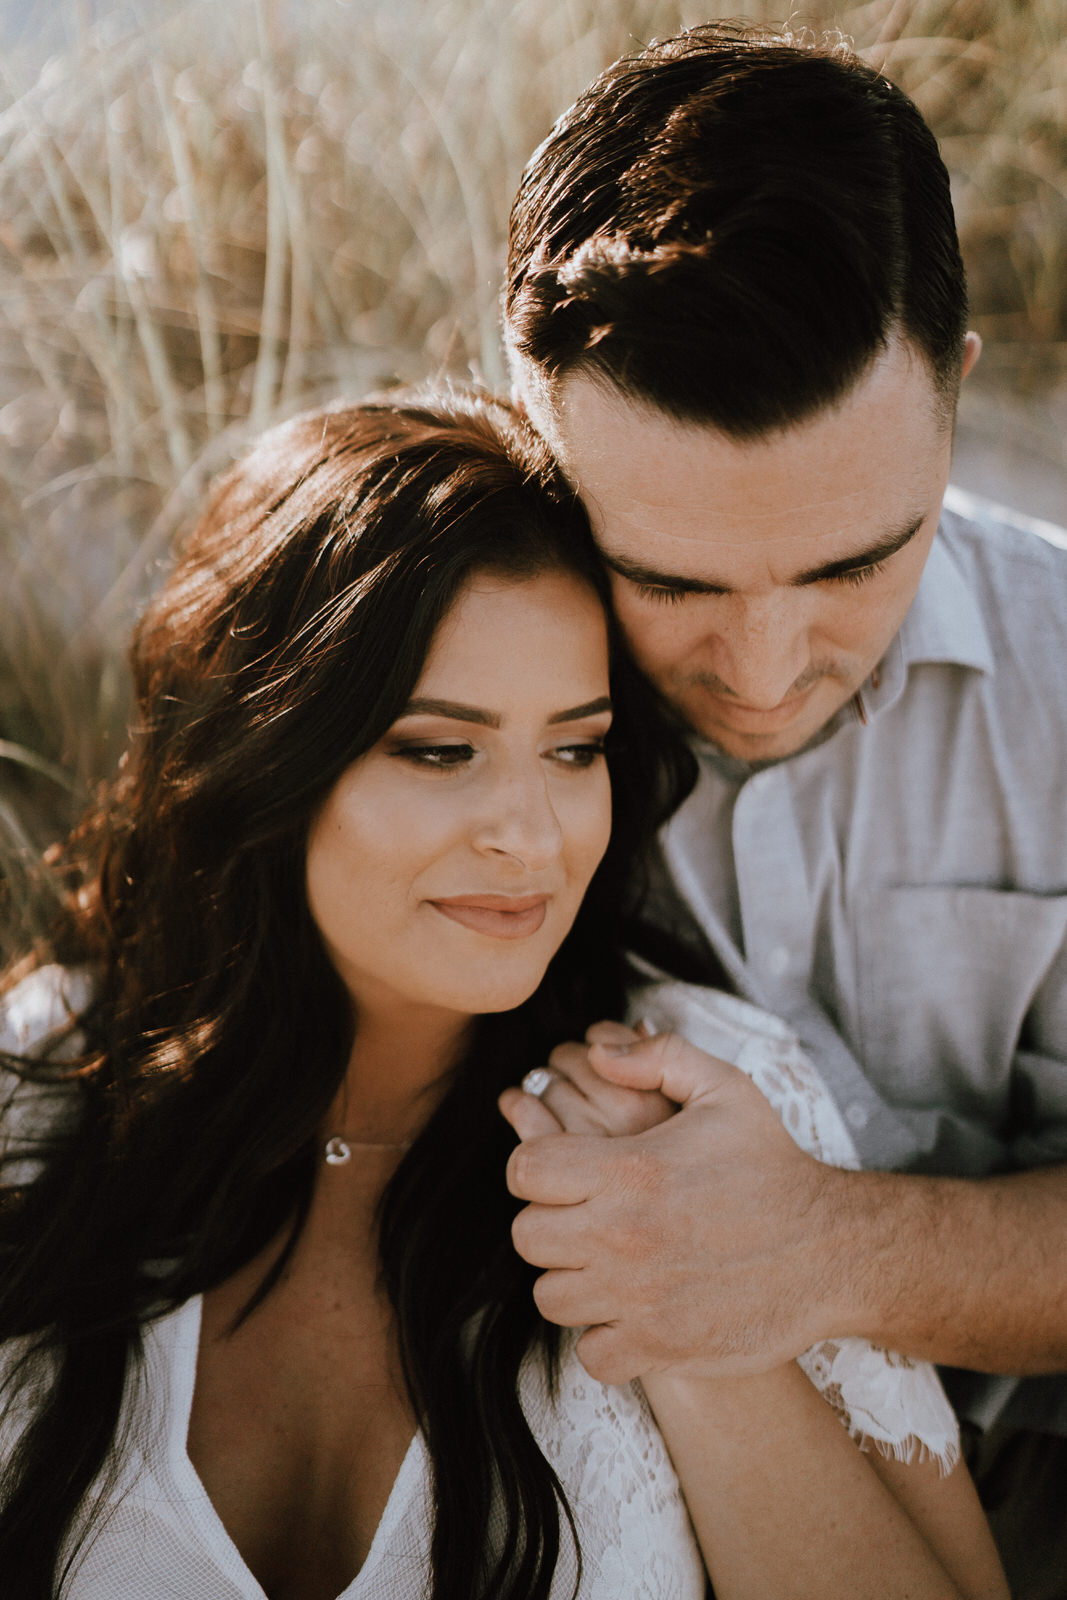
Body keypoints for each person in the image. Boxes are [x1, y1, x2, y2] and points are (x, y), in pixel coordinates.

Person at [0, 389, 1006, 1600]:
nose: (531, 836)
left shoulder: (694, 1100)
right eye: (441, 750)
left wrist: (686, 1319)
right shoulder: (40, 1085)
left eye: (574, 749)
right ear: (267, 752)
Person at [502, 19, 1067, 1597]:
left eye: (846, 565)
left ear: (952, 394)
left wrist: (821, 1251)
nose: (758, 668)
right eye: (663, 578)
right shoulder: (414, 680)